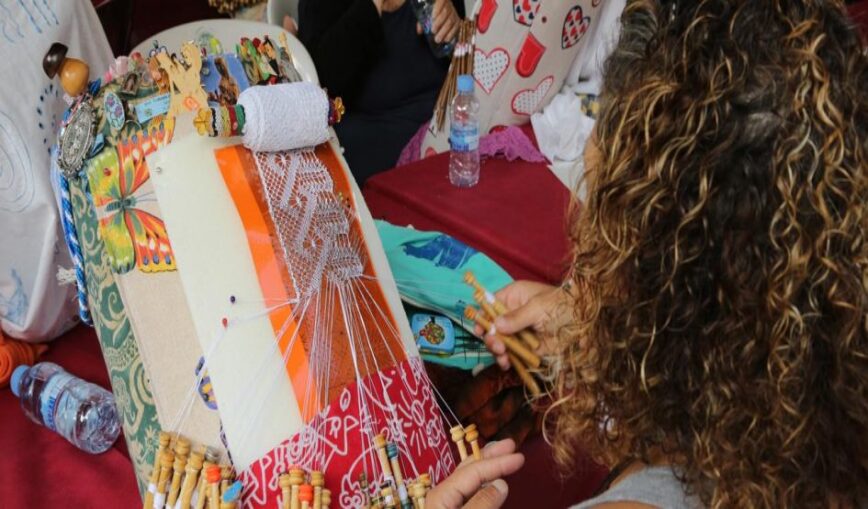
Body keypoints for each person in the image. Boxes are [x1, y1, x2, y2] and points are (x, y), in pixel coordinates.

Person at [425, 0, 867, 507]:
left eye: (601, 229)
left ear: (659, 284)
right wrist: (595, 322)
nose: (583, 252)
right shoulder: (811, 419)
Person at [298, 0, 464, 184]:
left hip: (450, 130)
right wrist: (372, 7)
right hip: (376, 144)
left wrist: (455, 27)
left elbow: (463, 62)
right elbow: (320, 83)